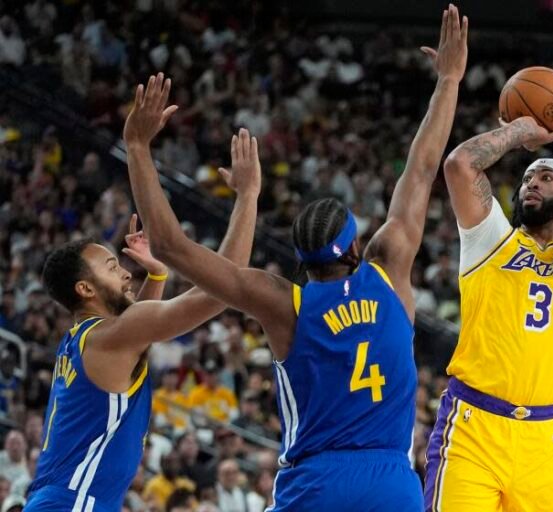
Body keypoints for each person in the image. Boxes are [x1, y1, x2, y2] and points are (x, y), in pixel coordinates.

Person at [121, 5, 468, 511]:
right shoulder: (389, 268)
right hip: (392, 479)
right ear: (354, 247)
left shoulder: (284, 302)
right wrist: (449, 80)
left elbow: (170, 245)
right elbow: (421, 168)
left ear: (302, 261)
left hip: (317, 481)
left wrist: (137, 147)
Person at [25, 129, 262, 512]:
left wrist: (157, 277)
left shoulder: (87, 339)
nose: (124, 273)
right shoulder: (108, 336)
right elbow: (222, 289)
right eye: (112, 266)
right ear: (86, 289)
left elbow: (138, 340)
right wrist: (248, 196)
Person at [426, 67, 553, 511]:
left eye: (545, 177)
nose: (531, 182)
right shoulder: (492, 238)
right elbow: (460, 165)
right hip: (473, 428)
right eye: (527, 178)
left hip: (546, 439)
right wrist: (521, 131)